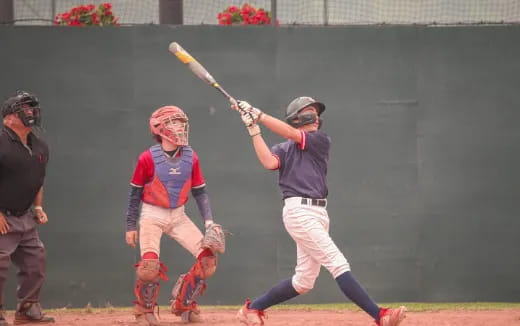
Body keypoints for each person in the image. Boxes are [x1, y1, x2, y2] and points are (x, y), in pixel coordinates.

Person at [231, 97, 406, 326]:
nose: (315, 116)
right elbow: (269, 162)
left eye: (316, 112)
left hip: (318, 213)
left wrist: (258, 114)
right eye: (309, 111)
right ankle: (380, 315)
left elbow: (292, 135)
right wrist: (254, 129)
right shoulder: (284, 148)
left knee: (304, 281)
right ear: (296, 118)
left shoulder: (319, 140)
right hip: (299, 211)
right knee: (337, 263)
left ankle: (252, 308)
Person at [125, 105, 221, 325]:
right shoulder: (147, 158)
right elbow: (134, 194)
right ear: (159, 128)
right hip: (152, 215)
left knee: (207, 261)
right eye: (172, 122)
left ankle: (184, 304)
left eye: (180, 123)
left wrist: (209, 222)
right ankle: (144, 310)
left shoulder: (191, 156)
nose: (179, 127)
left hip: (178, 215)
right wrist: (131, 225)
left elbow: (200, 192)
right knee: (149, 268)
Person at [0, 90, 55, 325]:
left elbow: (37, 181)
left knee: (35, 261)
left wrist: (38, 208)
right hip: (3, 216)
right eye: (26, 109)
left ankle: (27, 309)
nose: (32, 113)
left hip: (25, 216)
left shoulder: (39, 145)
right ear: (9, 117)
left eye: (33, 108)